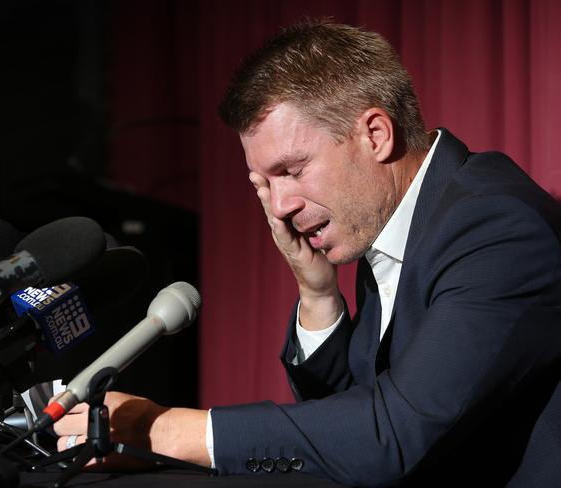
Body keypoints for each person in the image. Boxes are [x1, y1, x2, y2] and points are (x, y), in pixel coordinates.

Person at [53, 20, 561, 486]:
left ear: (376, 135)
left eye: (292, 171)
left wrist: (163, 428)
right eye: (264, 183)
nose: (280, 207)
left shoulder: (495, 228)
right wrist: (317, 294)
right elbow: (344, 432)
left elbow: (393, 435)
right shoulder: (395, 214)